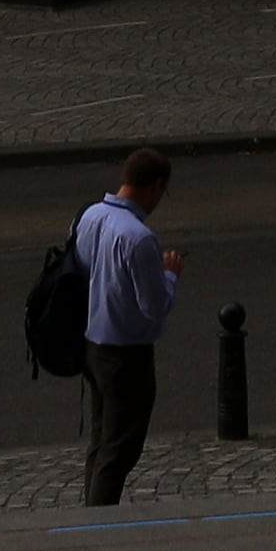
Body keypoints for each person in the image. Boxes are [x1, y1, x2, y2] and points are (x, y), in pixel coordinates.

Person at [72, 149, 180, 505]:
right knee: (120, 449)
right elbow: (154, 306)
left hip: (93, 345)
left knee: (101, 440)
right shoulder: (139, 238)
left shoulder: (88, 217)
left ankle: (91, 511)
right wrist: (170, 275)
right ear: (156, 186)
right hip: (126, 356)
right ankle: (100, 522)